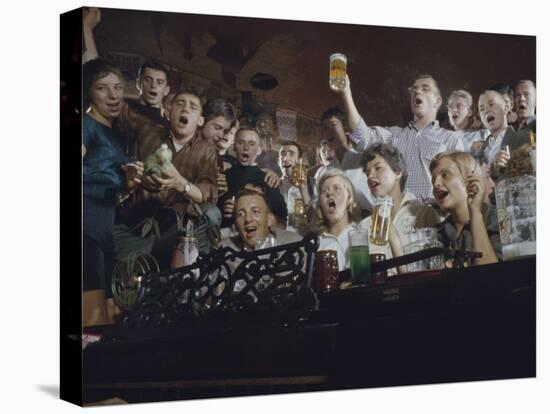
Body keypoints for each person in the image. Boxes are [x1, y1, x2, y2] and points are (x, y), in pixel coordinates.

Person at [114, 87, 219, 268]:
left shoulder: (206, 150)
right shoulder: (147, 129)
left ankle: (187, 275)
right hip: (134, 227)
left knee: (211, 213)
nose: (185, 109)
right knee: (125, 285)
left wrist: (181, 184)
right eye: (180, 104)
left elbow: (209, 193)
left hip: (173, 234)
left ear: (200, 120)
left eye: (193, 107)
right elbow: (115, 105)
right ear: (168, 111)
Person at [334, 74, 464, 202]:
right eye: (414, 90)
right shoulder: (393, 135)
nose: (417, 91)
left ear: (438, 101)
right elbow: (362, 138)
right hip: (397, 215)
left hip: (434, 216)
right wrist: (346, 93)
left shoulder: (451, 140)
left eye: (425, 88)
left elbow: (461, 186)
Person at [82, 59, 144, 326]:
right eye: (102, 88)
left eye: (118, 87)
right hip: (86, 222)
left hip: (105, 223)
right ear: (88, 92)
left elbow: (109, 185)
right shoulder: (85, 125)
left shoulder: (113, 132)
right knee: (92, 312)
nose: (113, 95)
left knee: (107, 313)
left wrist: (128, 182)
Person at [358, 143, 441, 270]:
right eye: (367, 172)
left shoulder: (422, 213)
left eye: (378, 168)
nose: (370, 176)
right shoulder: (364, 226)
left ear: (398, 172)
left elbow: (434, 265)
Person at [430, 151, 501, 266]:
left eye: (445, 175)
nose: (436, 184)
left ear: (470, 179)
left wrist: (475, 212)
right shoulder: (439, 234)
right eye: (433, 180)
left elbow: (491, 276)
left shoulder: (495, 218)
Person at [219, 127, 287, 229]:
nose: (246, 147)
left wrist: (242, 211)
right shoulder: (224, 177)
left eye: (251, 144)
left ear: (259, 150)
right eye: (241, 142)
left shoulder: (268, 178)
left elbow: (282, 220)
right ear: (234, 147)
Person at [320, 106, 374, 214]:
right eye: (325, 127)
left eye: (333, 125)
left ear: (345, 129)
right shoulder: (329, 169)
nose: (328, 131)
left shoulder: (362, 156)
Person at [221, 186, 301, 252]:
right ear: (236, 225)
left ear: (269, 219)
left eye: (255, 211)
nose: (248, 219)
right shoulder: (224, 253)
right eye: (241, 214)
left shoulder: (293, 247)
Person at [313, 170, 361, 271]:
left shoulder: (362, 234)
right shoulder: (316, 245)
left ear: (349, 198)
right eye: (324, 191)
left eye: (337, 188)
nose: (329, 193)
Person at [476, 90, 531, 178]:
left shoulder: (523, 137)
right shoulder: (478, 153)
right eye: (482, 109)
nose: (486, 110)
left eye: (491, 104)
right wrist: (492, 170)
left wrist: (509, 166)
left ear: (505, 108)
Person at [278, 141, 312, 232]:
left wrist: (304, 189)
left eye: (291, 154)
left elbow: (317, 219)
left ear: (299, 160)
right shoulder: (274, 186)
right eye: (282, 154)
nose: (285, 158)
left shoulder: (312, 184)